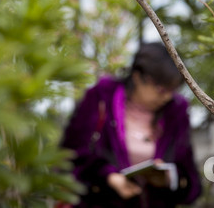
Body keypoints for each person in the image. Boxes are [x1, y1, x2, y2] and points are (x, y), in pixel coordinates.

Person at [60, 42, 202, 208]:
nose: (167, 97)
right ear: (137, 76)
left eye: (172, 90)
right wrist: (108, 177)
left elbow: (192, 183)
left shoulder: (176, 112)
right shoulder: (101, 98)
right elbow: (71, 158)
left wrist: (170, 178)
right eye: (161, 89)